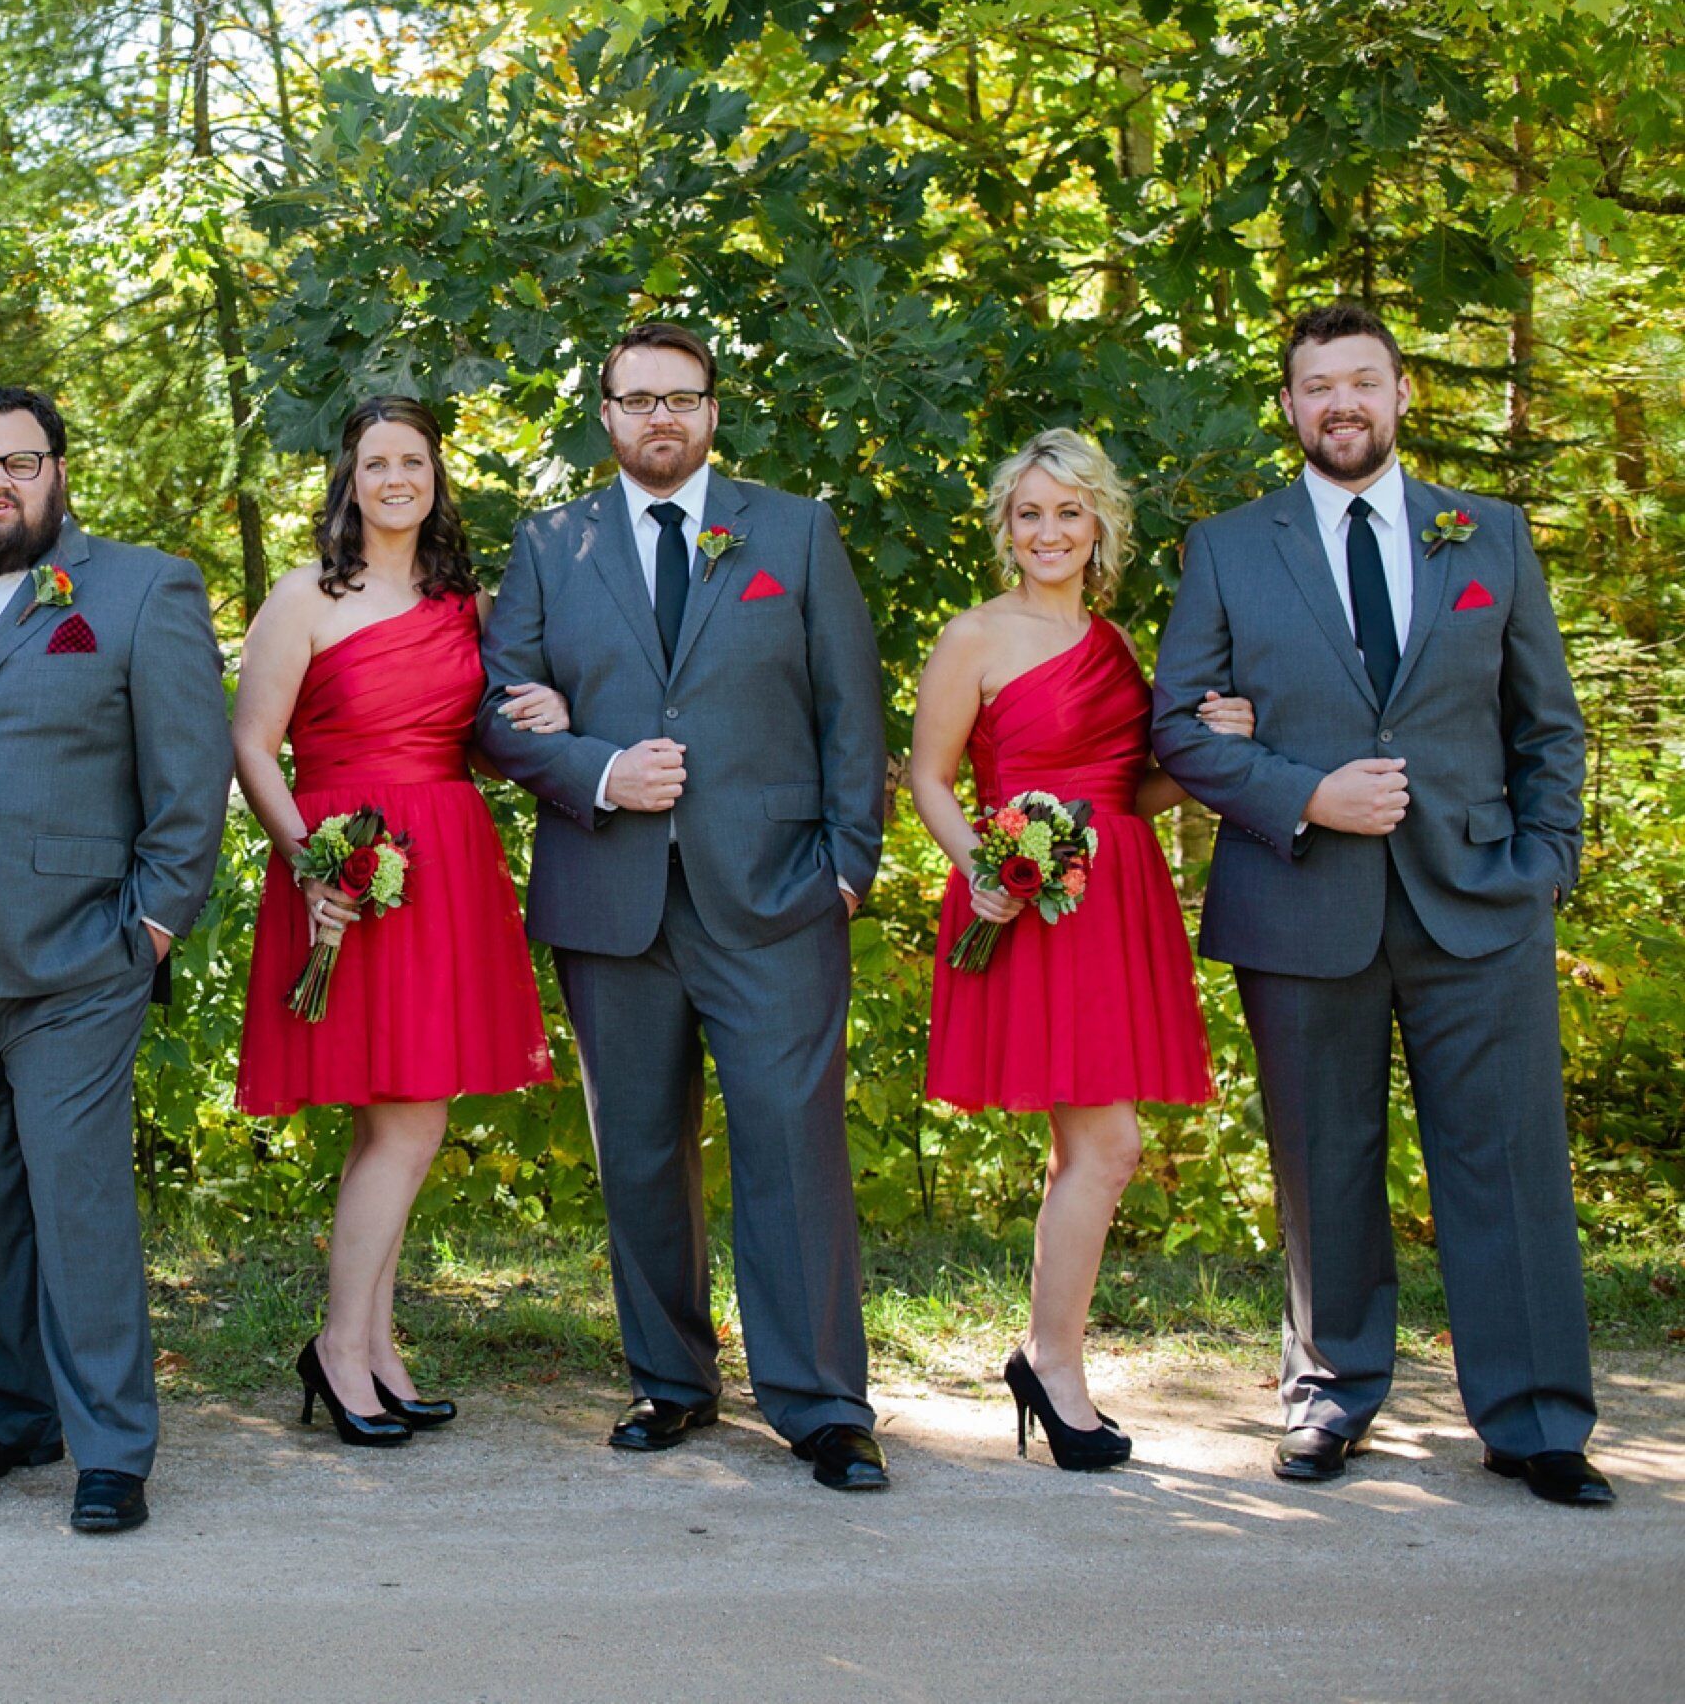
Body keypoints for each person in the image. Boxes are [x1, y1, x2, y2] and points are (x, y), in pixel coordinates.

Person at [1151, 303, 1607, 1507]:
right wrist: (1307, 796)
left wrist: (1547, 860)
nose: (1341, 403)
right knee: (1324, 1159)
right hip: (1302, 900)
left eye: (1363, 381)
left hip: (1481, 902)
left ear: (1402, 395)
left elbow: (1546, 724)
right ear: (1291, 408)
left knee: (1506, 1160)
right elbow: (1177, 732)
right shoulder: (1229, 547)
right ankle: (1332, 1395)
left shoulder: (1489, 535)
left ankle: (1536, 1419)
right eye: (1317, 385)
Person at [479, 319, 892, 1491]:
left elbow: (850, 714)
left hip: (774, 898)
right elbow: (499, 714)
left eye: (683, 398)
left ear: (713, 411)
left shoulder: (792, 533)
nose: (661, 417)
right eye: (638, 399)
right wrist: (601, 769)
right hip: (611, 898)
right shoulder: (552, 545)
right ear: (604, 416)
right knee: (642, 1156)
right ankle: (672, 1380)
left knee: (791, 1148)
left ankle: (821, 1405)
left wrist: (846, 868)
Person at [0, 386, 234, 1536]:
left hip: (77, 957)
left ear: (59, 471)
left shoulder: (138, 588)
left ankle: (113, 1448)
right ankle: (19, 1405)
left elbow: (189, 777)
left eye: (22, 463)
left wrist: (151, 927)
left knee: (76, 1204)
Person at [910, 428, 1254, 1471]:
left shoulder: (1112, 642)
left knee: (1088, 1146)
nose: (1048, 531)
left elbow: (1133, 785)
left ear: (1098, 523)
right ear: (1006, 528)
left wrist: (1208, 758)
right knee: (1109, 1147)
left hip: (1119, 896)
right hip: (1029, 901)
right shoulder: (973, 635)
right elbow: (931, 779)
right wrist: (988, 871)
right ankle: (1051, 1363)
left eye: (1068, 512)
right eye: (1029, 513)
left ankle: (1047, 1358)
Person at [232, 395, 558, 1444]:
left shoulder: (473, 604)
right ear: (350, 478)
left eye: (412, 461)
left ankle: (371, 1348)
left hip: (445, 863)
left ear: (434, 476)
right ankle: (340, 1347)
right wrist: (307, 864)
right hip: (346, 866)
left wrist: (547, 709)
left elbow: (506, 718)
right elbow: (251, 748)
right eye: (376, 462)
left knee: (401, 1114)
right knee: (408, 1118)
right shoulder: (305, 597)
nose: (395, 479)